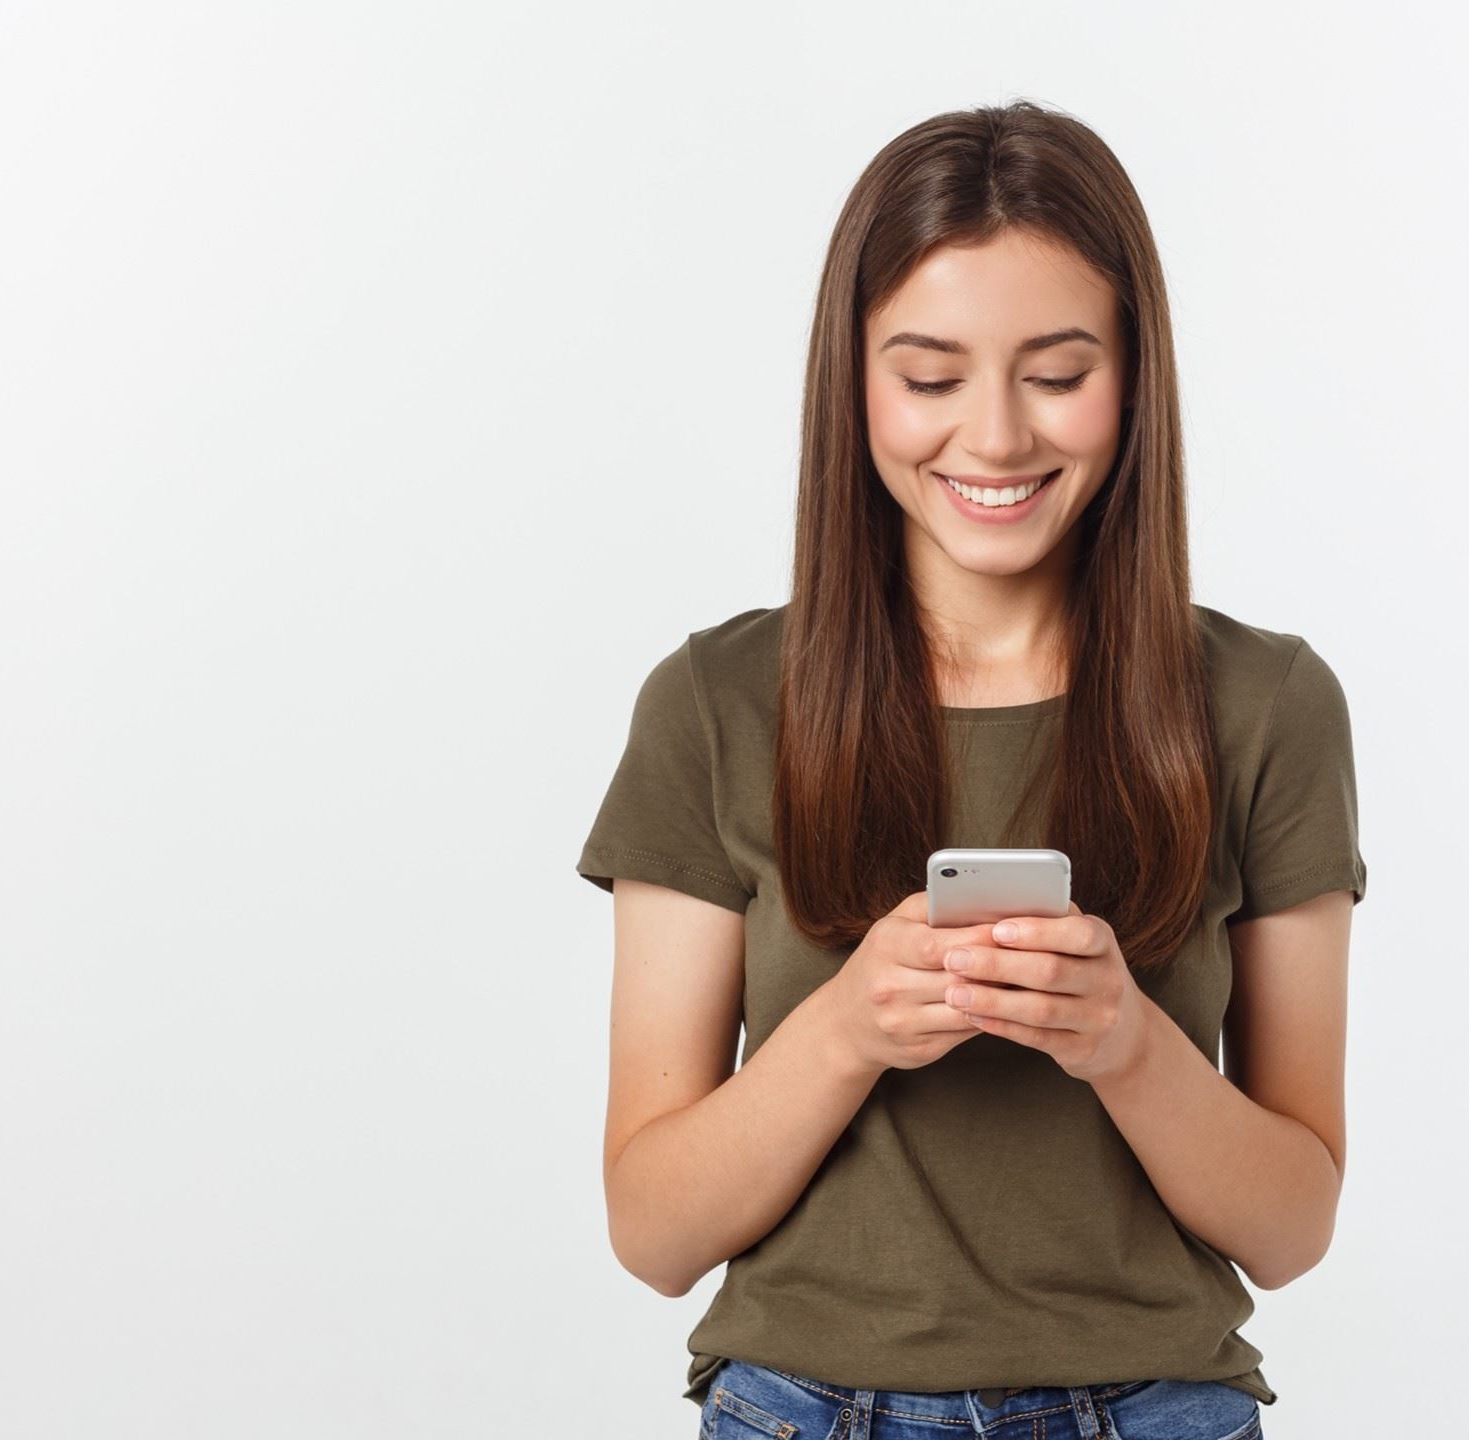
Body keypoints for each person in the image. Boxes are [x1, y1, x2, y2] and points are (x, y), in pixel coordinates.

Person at [577, 99, 1365, 1440]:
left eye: (1056, 373)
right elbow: (654, 1232)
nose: (994, 440)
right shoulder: (715, 705)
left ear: (1135, 375)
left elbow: (1291, 1226)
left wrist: (1125, 1043)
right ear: (855, 381)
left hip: (1160, 1409)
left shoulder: (1263, 705)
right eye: (931, 378)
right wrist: (845, 1031)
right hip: (798, 1411)